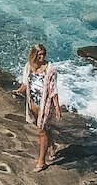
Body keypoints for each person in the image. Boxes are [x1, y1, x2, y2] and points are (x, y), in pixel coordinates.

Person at [16, 43, 62, 172]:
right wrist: (19, 91)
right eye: (39, 55)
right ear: (34, 55)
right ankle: (52, 147)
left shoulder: (50, 69)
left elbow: (54, 90)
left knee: (42, 130)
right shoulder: (29, 66)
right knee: (44, 127)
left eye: (43, 54)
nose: (42, 57)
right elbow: (25, 83)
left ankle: (41, 162)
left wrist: (57, 107)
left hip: (45, 102)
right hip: (33, 102)